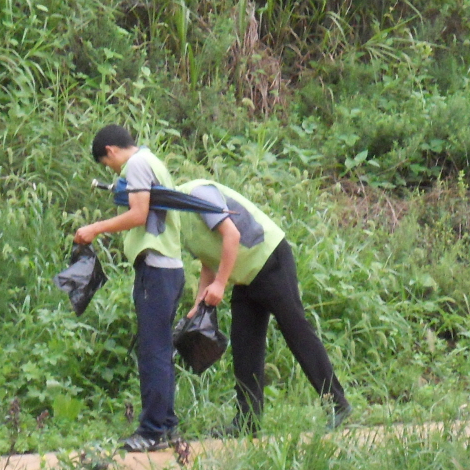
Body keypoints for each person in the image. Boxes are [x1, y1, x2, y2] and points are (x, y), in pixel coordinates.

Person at [174, 178, 349, 433]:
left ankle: (337, 403)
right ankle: (248, 421)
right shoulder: (179, 222)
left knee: (296, 331)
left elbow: (231, 234)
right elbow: (207, 261)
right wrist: (198, 303)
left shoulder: (196, 193)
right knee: (244, 345)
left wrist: (221, 284)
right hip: (245, 275)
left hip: (269, 259)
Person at [74, 125, 185, 452]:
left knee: (152, 352)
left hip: (156, 268)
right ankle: (166, 427)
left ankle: (151, 431)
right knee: (161, 350)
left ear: (110, 150)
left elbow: (139, 214)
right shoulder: (154, 161)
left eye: (106, 163)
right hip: (171, 268)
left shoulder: (135, 165)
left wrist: (95, 228)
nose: (111, 169)